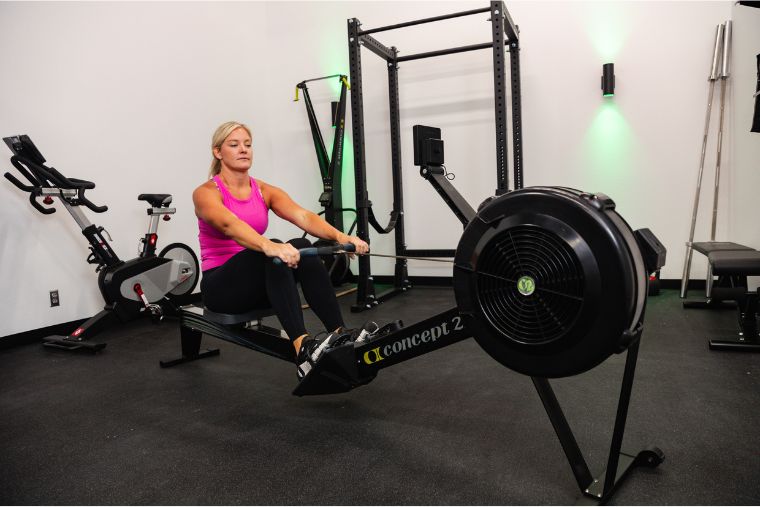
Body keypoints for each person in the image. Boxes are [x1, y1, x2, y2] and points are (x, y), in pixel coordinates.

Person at [193, 121, 369, 380]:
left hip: (260, 283)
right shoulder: (206, 193)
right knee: (274, 249)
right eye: (234, 145)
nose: (243, 150)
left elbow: (304, 216)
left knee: (302, 245)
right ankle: (302, 349)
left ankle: (339, 333)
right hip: (221, 288)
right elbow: (229, 225)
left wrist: (343, 237)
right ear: (218, 152)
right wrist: (269, 245)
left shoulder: (263, 190)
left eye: (248, 144)